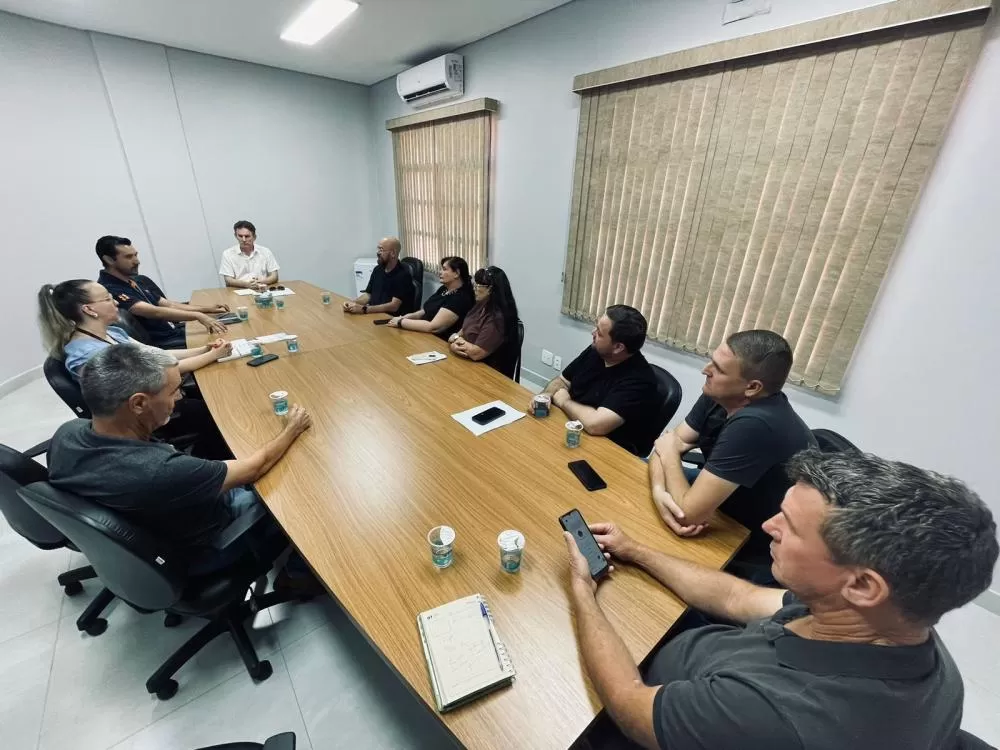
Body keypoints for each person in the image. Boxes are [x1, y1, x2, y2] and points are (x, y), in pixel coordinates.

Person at [565, 449, 998, 750]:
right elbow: (738, 596)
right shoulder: (889, 621)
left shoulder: (779, 716)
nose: (768, 525)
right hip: (697, 668)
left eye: (789, 525)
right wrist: (635, 550)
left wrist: (583, 591)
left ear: (864, 586)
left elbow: (626, 702)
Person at [47, 344, 315, 582]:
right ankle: (298, 573)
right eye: (174, 390)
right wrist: (292, 427)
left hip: (152, 533)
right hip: (208, 548)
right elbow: (256, 467)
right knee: (299, 485)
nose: (179, 398)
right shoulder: (160, 470)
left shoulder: (67, 433)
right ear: (138, 403)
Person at [648, 329, 814, 582]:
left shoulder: (756, 424)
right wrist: (660, 491)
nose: (706, 369)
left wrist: (669, 453)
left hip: (759, 544)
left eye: (719, 368)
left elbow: (687, 513)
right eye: (712, 360)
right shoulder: (718, 394)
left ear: (752, 387)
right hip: (722, 503)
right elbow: (667, 444)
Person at [38, 280, 232, 380]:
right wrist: (213, 355)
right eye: (106, 299)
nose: (115, 302)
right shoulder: (87, 355)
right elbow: (161, 371)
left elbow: (157, 354)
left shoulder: (112, 332)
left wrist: (205, 350)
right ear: (88, 309)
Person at [535, 305, 661, 457]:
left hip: (605, 452)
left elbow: (595, 425)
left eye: (600, 333)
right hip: (570, 430)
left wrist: (564, 401)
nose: (593, 333)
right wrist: (546, 396)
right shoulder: (597, 351)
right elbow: (561, 381)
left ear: (618, 347)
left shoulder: (640, 381)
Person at [96, 235, 229, 349]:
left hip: (173, 330)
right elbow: (155, 311)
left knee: (228, 327)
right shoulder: (109, 288)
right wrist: (198, 316)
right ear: (108, 260)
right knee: (226, 339)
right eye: (129, 257)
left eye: (136, 255)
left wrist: (208, 309)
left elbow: (168, 304)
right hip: (163, 343)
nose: (137, 261)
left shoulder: (134, 280)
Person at [448, 266, 519, 373]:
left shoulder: (497, 318)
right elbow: (460, 332)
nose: (474, 288)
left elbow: (476, 353)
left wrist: (455, 341)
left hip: (485, 371)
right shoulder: (480, 305)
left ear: (490, 289)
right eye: (474, 284)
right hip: (466, 363)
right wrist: (454, 343)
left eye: (478, 285)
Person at [387, 256, 474, 339]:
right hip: (425, 335)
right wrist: (406, 317)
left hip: (440, 342)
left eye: (444, 269)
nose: (440, 272)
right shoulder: (444, 289)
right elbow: (425, 310)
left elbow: (434, 327)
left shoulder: (460, 298)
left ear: (457, 273)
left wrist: (401, 322)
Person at [343, 237, 414, 316]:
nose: (378, 253)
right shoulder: (378, 270)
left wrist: (364, 309)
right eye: (378, 249)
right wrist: (353, 303)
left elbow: (393, 306)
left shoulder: (403, 275)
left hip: (391, 320)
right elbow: (368, 295)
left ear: (393, 253)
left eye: (381, 250)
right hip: (374, 314)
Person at [219, 220, 280, 289]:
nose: (244, 239)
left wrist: (261, 282)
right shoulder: (227, 254)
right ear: (235, 236)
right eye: (240, 236)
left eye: (247, 236)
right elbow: (228, 280)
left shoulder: (265, 251)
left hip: (262, 289)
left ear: (254, 237)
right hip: (238, 290)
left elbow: (274, 276)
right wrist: (246, 284)